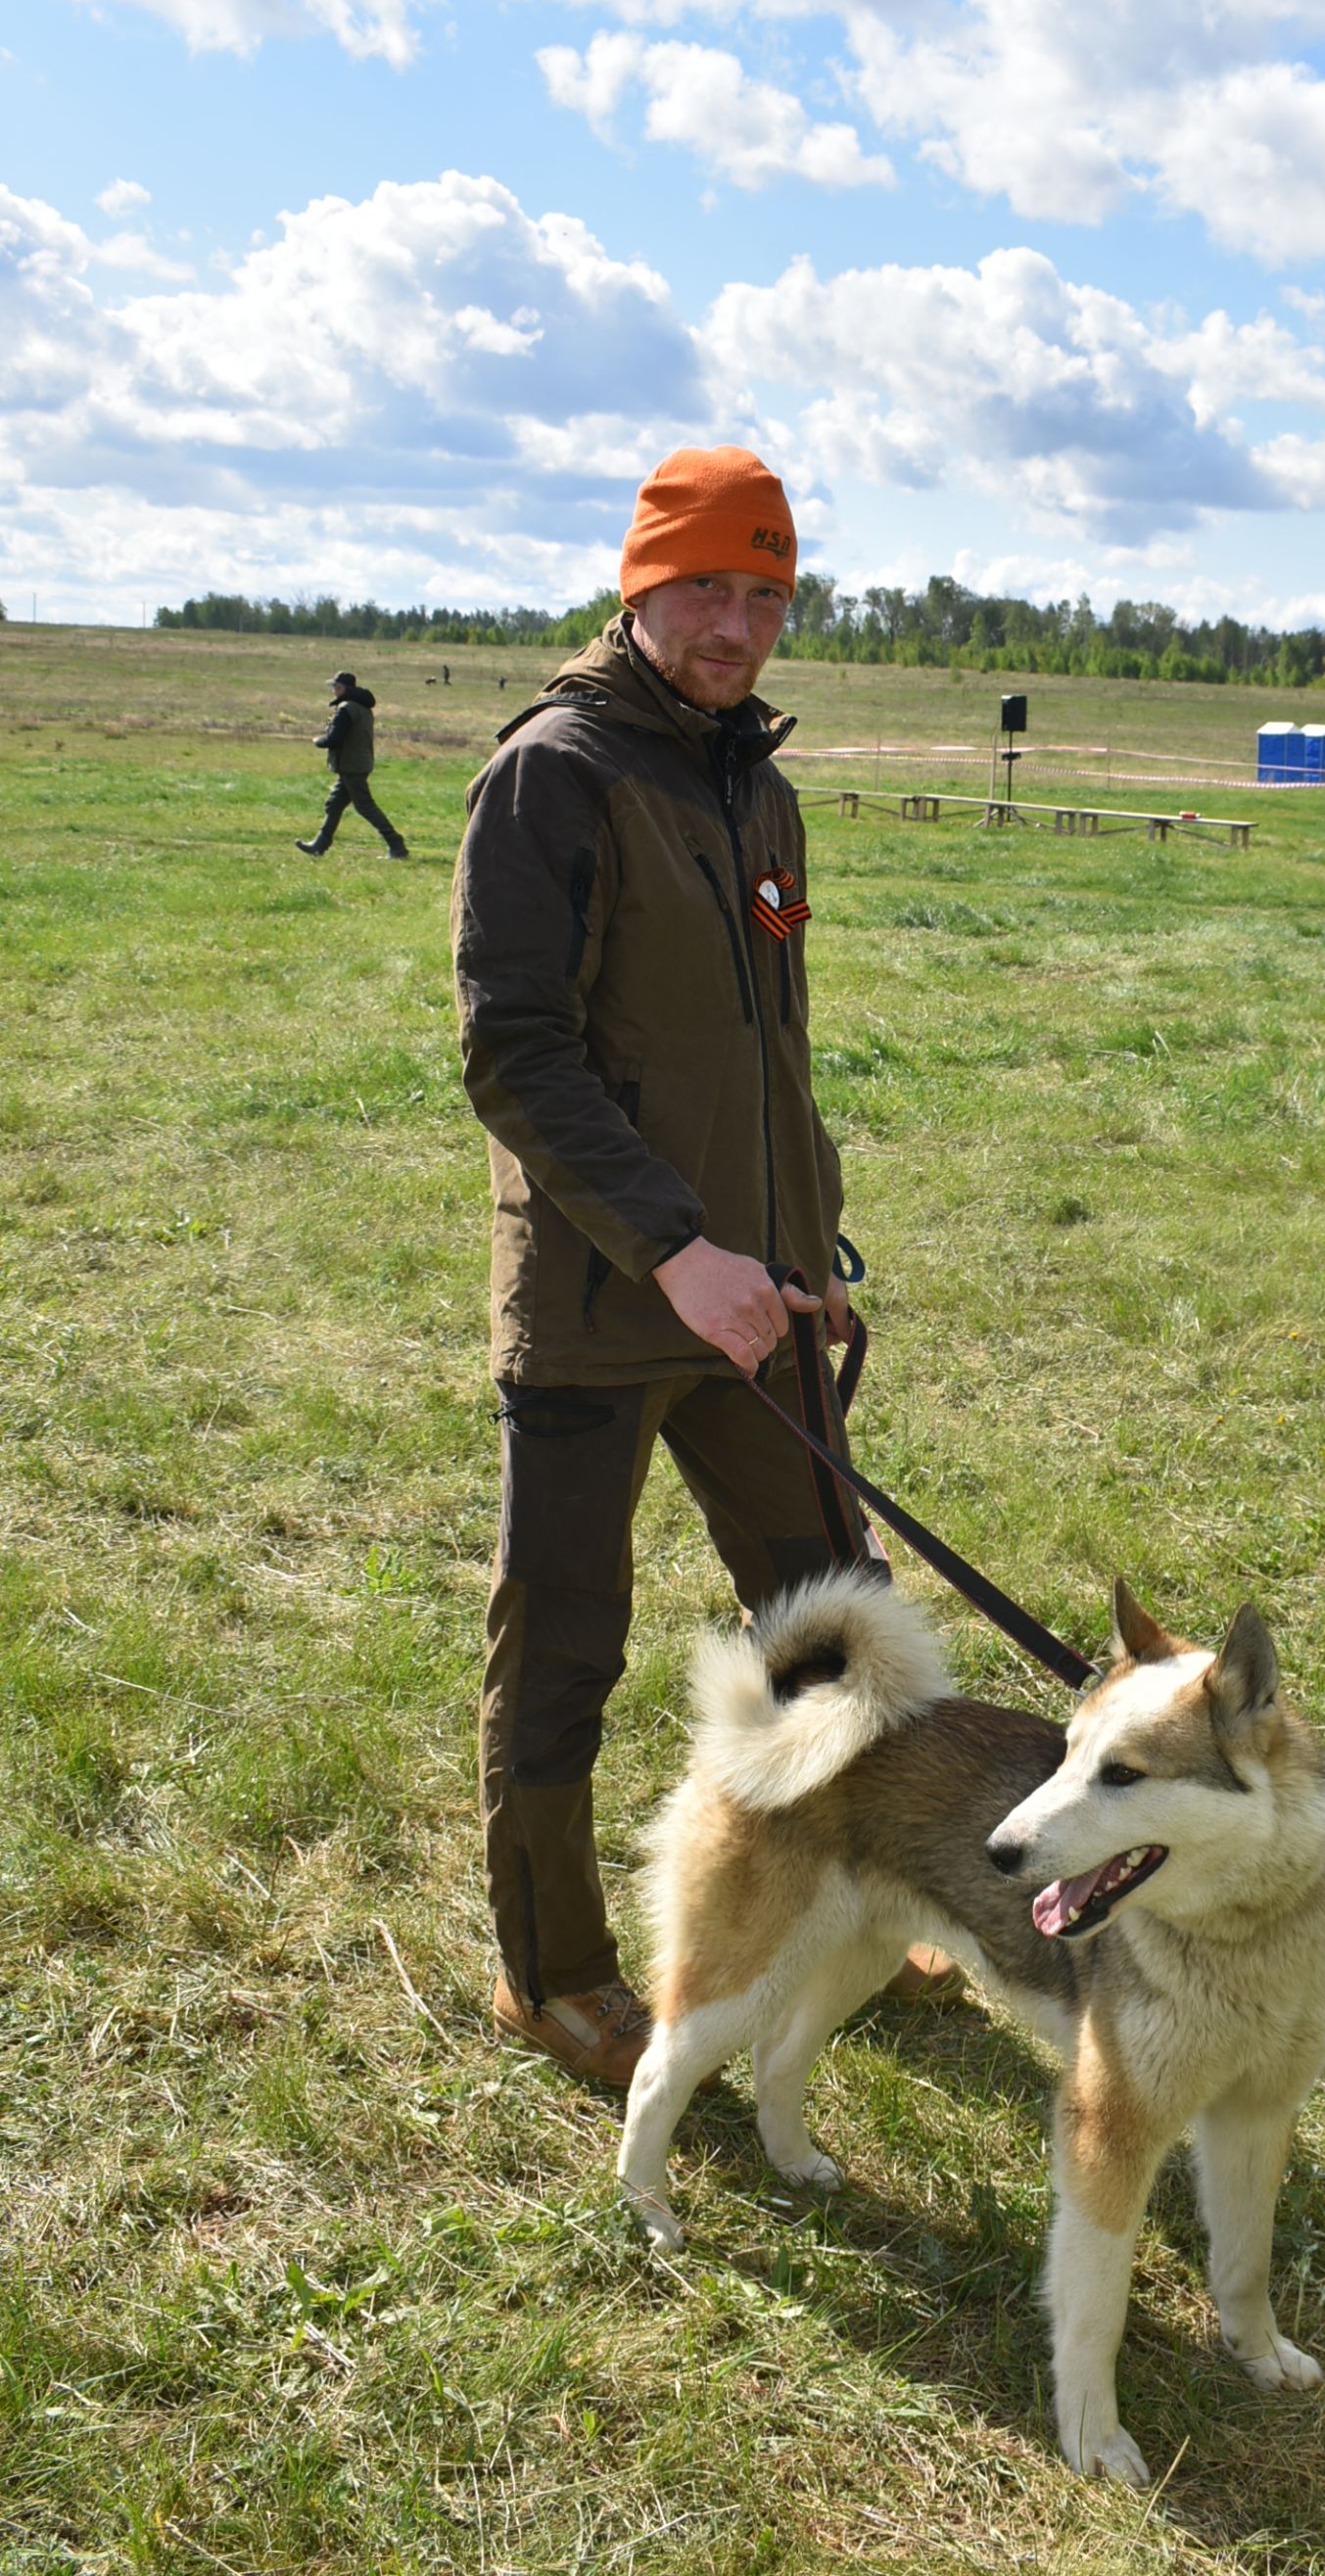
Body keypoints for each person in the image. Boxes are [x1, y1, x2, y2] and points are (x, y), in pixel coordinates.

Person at [451, 445, 946, 2089]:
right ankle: (554, 1972)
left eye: (766, 594)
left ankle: (869, 1905)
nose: (738, 624)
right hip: (603, 1304)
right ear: (638, 584)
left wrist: (797, 1257)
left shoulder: (755, 782)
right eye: (707, 589)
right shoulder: (554, 774)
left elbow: (767, 1056)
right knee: (567, 1645)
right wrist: (678, 1252)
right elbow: (515, 1055)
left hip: (763, 1300)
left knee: (835, 1621)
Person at [297, 670, 409, 859]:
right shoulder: (361, 708)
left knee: (365, 806)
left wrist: (318, 741)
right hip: (356, 763)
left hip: (351, 765)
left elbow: (335, 738)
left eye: (336, 687)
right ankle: (319, 845)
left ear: (343, 688)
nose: (333, 690)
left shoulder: (346, 709)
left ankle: (396, 845)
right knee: (334, 804)